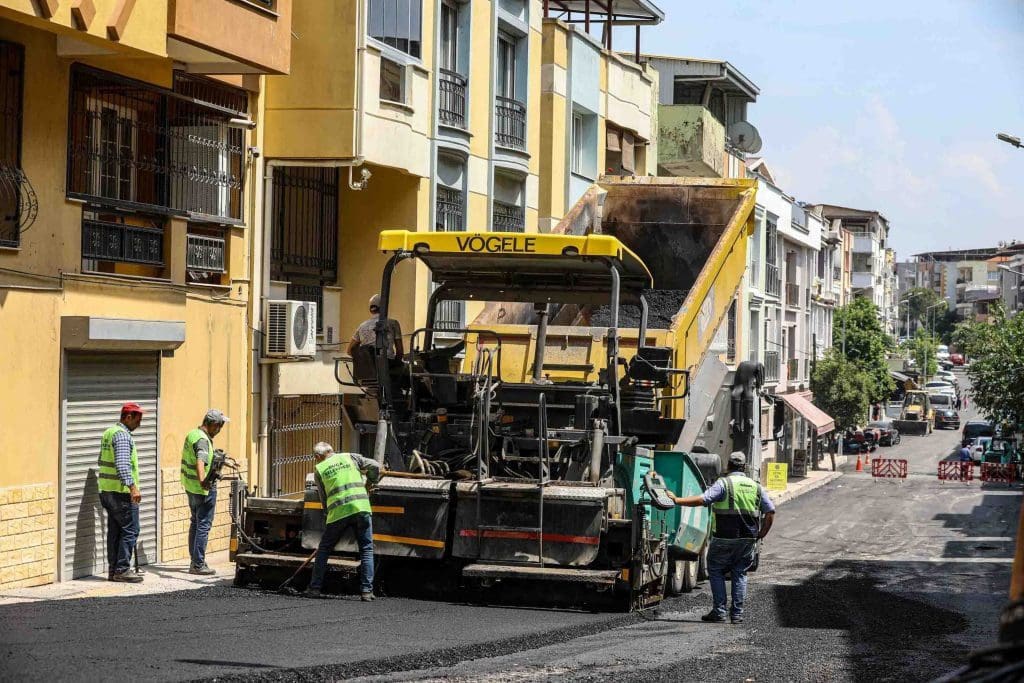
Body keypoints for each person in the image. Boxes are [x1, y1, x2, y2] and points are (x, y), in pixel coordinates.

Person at [671, 452, 775, 624]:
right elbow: (770, 512)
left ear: (728, 466)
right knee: (740, 574)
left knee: (716, 570)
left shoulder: (724, 483)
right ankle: (737, 614)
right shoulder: (755, 486)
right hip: (748, 539)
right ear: (744, 467)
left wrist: (677, 500)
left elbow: (703, 499)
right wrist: (761, 534)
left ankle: (719, 612)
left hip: (724, 538)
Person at [306, 442, 381, 600]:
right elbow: (374, 465)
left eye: (315, 458)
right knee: (366, 550)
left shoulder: (319, 469)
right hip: (361, 508)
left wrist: (327, 514)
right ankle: (367, 592)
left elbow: (323, 496)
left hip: (338, 513)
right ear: (332, 451)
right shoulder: (350, 457)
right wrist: (371, 481)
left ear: (318, 456)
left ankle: (314, 588)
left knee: (324, 549)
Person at [97, 403, 145, 583]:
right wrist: (132, 487)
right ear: (128, 417)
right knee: (131, 529)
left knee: (116, 531)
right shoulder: (123, 436)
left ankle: (114, 570)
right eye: (138, 418)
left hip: (106, 491)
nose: (140, 422)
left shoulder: (108, 433)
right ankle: (123, 569)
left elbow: (101, 460)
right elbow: (122, 464)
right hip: (120, 492)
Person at [181, 409, 229, 575]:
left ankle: (195, 559)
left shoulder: (193, 434)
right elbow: (201, 461)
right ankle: (198, 564)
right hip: (202, 490)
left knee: (195, 523)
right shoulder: (202, 440)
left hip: (190, 487)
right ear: (213, 425)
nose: (220, 430)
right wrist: (204, 481)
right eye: (219, 427)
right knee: (203, 525)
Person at [348, 294, 404, 362]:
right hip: (387, 365)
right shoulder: (393, 323)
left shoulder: (362, 326)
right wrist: (396, 364)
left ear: (370, 309)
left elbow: (350, 350)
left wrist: (363, 361)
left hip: (367, 367)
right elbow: (400, 352)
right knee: (407, 369)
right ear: (384, 307)